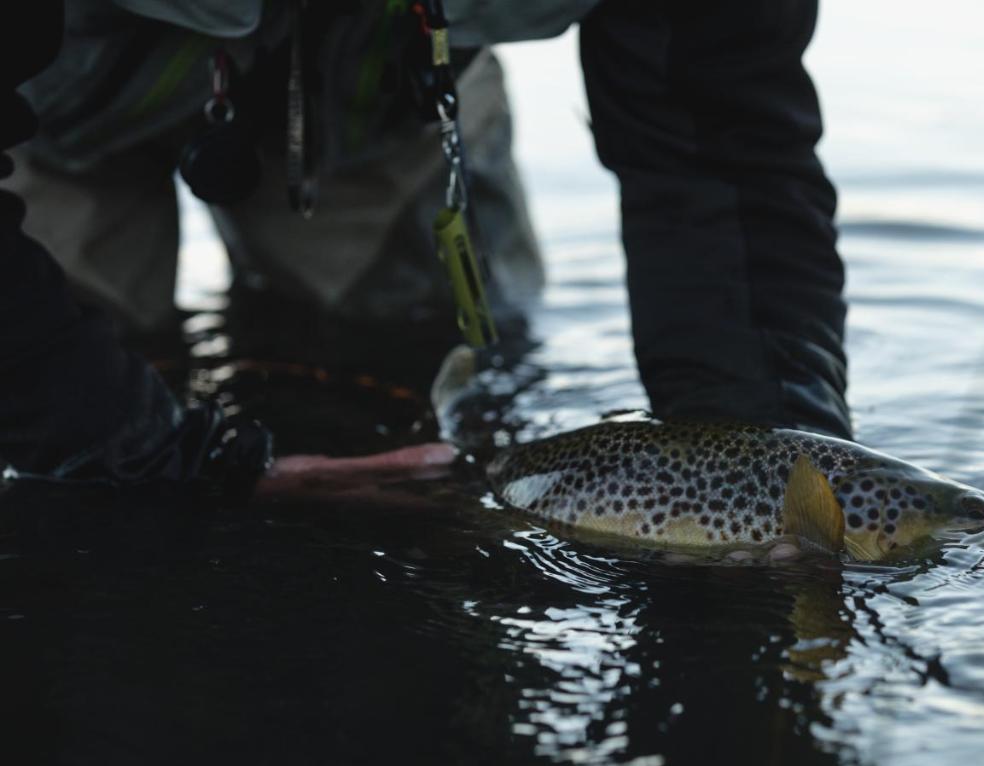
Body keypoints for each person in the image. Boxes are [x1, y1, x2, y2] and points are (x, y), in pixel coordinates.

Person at [0, 0, 848, 495]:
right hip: (54, 94)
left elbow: (727, 149)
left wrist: (776, 471)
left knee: (449, 376)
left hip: (392, 95)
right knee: (66, 465)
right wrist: (144, 452)